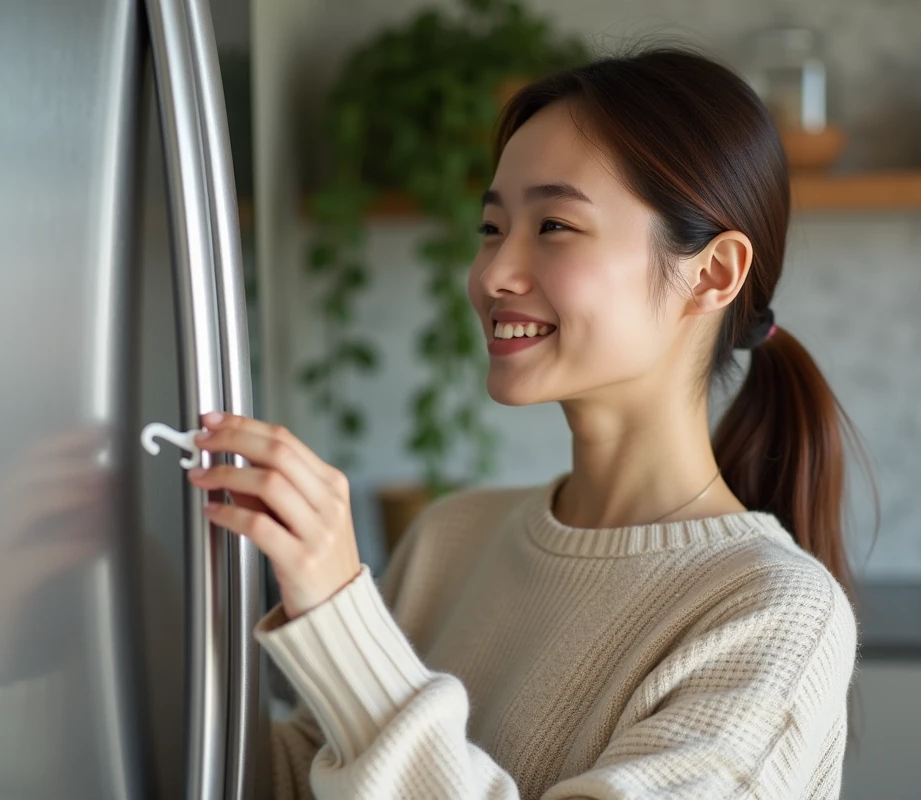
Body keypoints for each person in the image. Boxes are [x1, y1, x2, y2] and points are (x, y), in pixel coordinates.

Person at [190, 47, 865, 799]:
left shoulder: (772, 613)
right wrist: (137, 592)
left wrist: (343, 616)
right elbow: (309, 779)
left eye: (553, 225)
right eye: (490, 226)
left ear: (711, 274)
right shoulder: (454, 538)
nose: (492, 275)